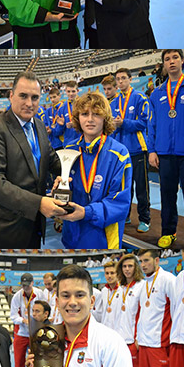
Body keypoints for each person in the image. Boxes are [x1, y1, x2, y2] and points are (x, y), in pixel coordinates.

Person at [0, 72, 63, 250]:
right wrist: (38, 203)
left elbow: (53, 160)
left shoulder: (39, 125)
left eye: (35, 98)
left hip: (34, 224)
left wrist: (71, 167)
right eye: (23, 96)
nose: (29, 103)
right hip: (5, 227)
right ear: (11, 96)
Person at [59, 92, 132, 254]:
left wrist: (86, 212)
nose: (90, 119)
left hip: (102, 237)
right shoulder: (69, 149)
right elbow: (65, 189)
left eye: (96, 114)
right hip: (72, 233)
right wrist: (59, 189)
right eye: (85, 114)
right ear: (77, 118)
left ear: (105, 118)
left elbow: (120, 203)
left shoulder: (119, 154)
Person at [132, 247, 176, 367]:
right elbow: (141, 313)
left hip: (160, 344)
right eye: (141, 261)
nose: (143, 265)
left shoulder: (168, 280)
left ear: (157, 260)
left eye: (147, 261)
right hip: (144, 344)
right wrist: (138, 337)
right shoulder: (143, 283)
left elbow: (177, 311)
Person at [148, 49, 184, 252]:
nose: (171, 62)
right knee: (167, 195)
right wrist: (152, 150)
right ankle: (167, 232)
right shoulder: (157, 93)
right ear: (163, 64)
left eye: (175, 58)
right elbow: (152, 124)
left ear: (182, 61)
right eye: (167, 59)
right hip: (164, 153)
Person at [110, 68, 150, 232]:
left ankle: (145, 219)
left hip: (138, 149)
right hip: (122, 152)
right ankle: (125, 215)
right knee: (124, 188)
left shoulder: (140, 98)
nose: (120, 82)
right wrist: (114, 125)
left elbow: (144, 122)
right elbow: (111, 127)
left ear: (130, 79)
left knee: (141, 188)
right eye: (118, 79)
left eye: (123, 78)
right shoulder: (113, 103)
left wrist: (123, 123)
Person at [10, 274, 47, 367]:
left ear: (32, 283)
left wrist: (39, 320)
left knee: (38, 358)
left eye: (27, 285)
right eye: (23, 285)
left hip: (36, 332)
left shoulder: (39, 294)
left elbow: (45, 309)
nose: (25, 287)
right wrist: (23, 320)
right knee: (19, 360)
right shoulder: (17, 296)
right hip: (22, 332)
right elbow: (13, 316)